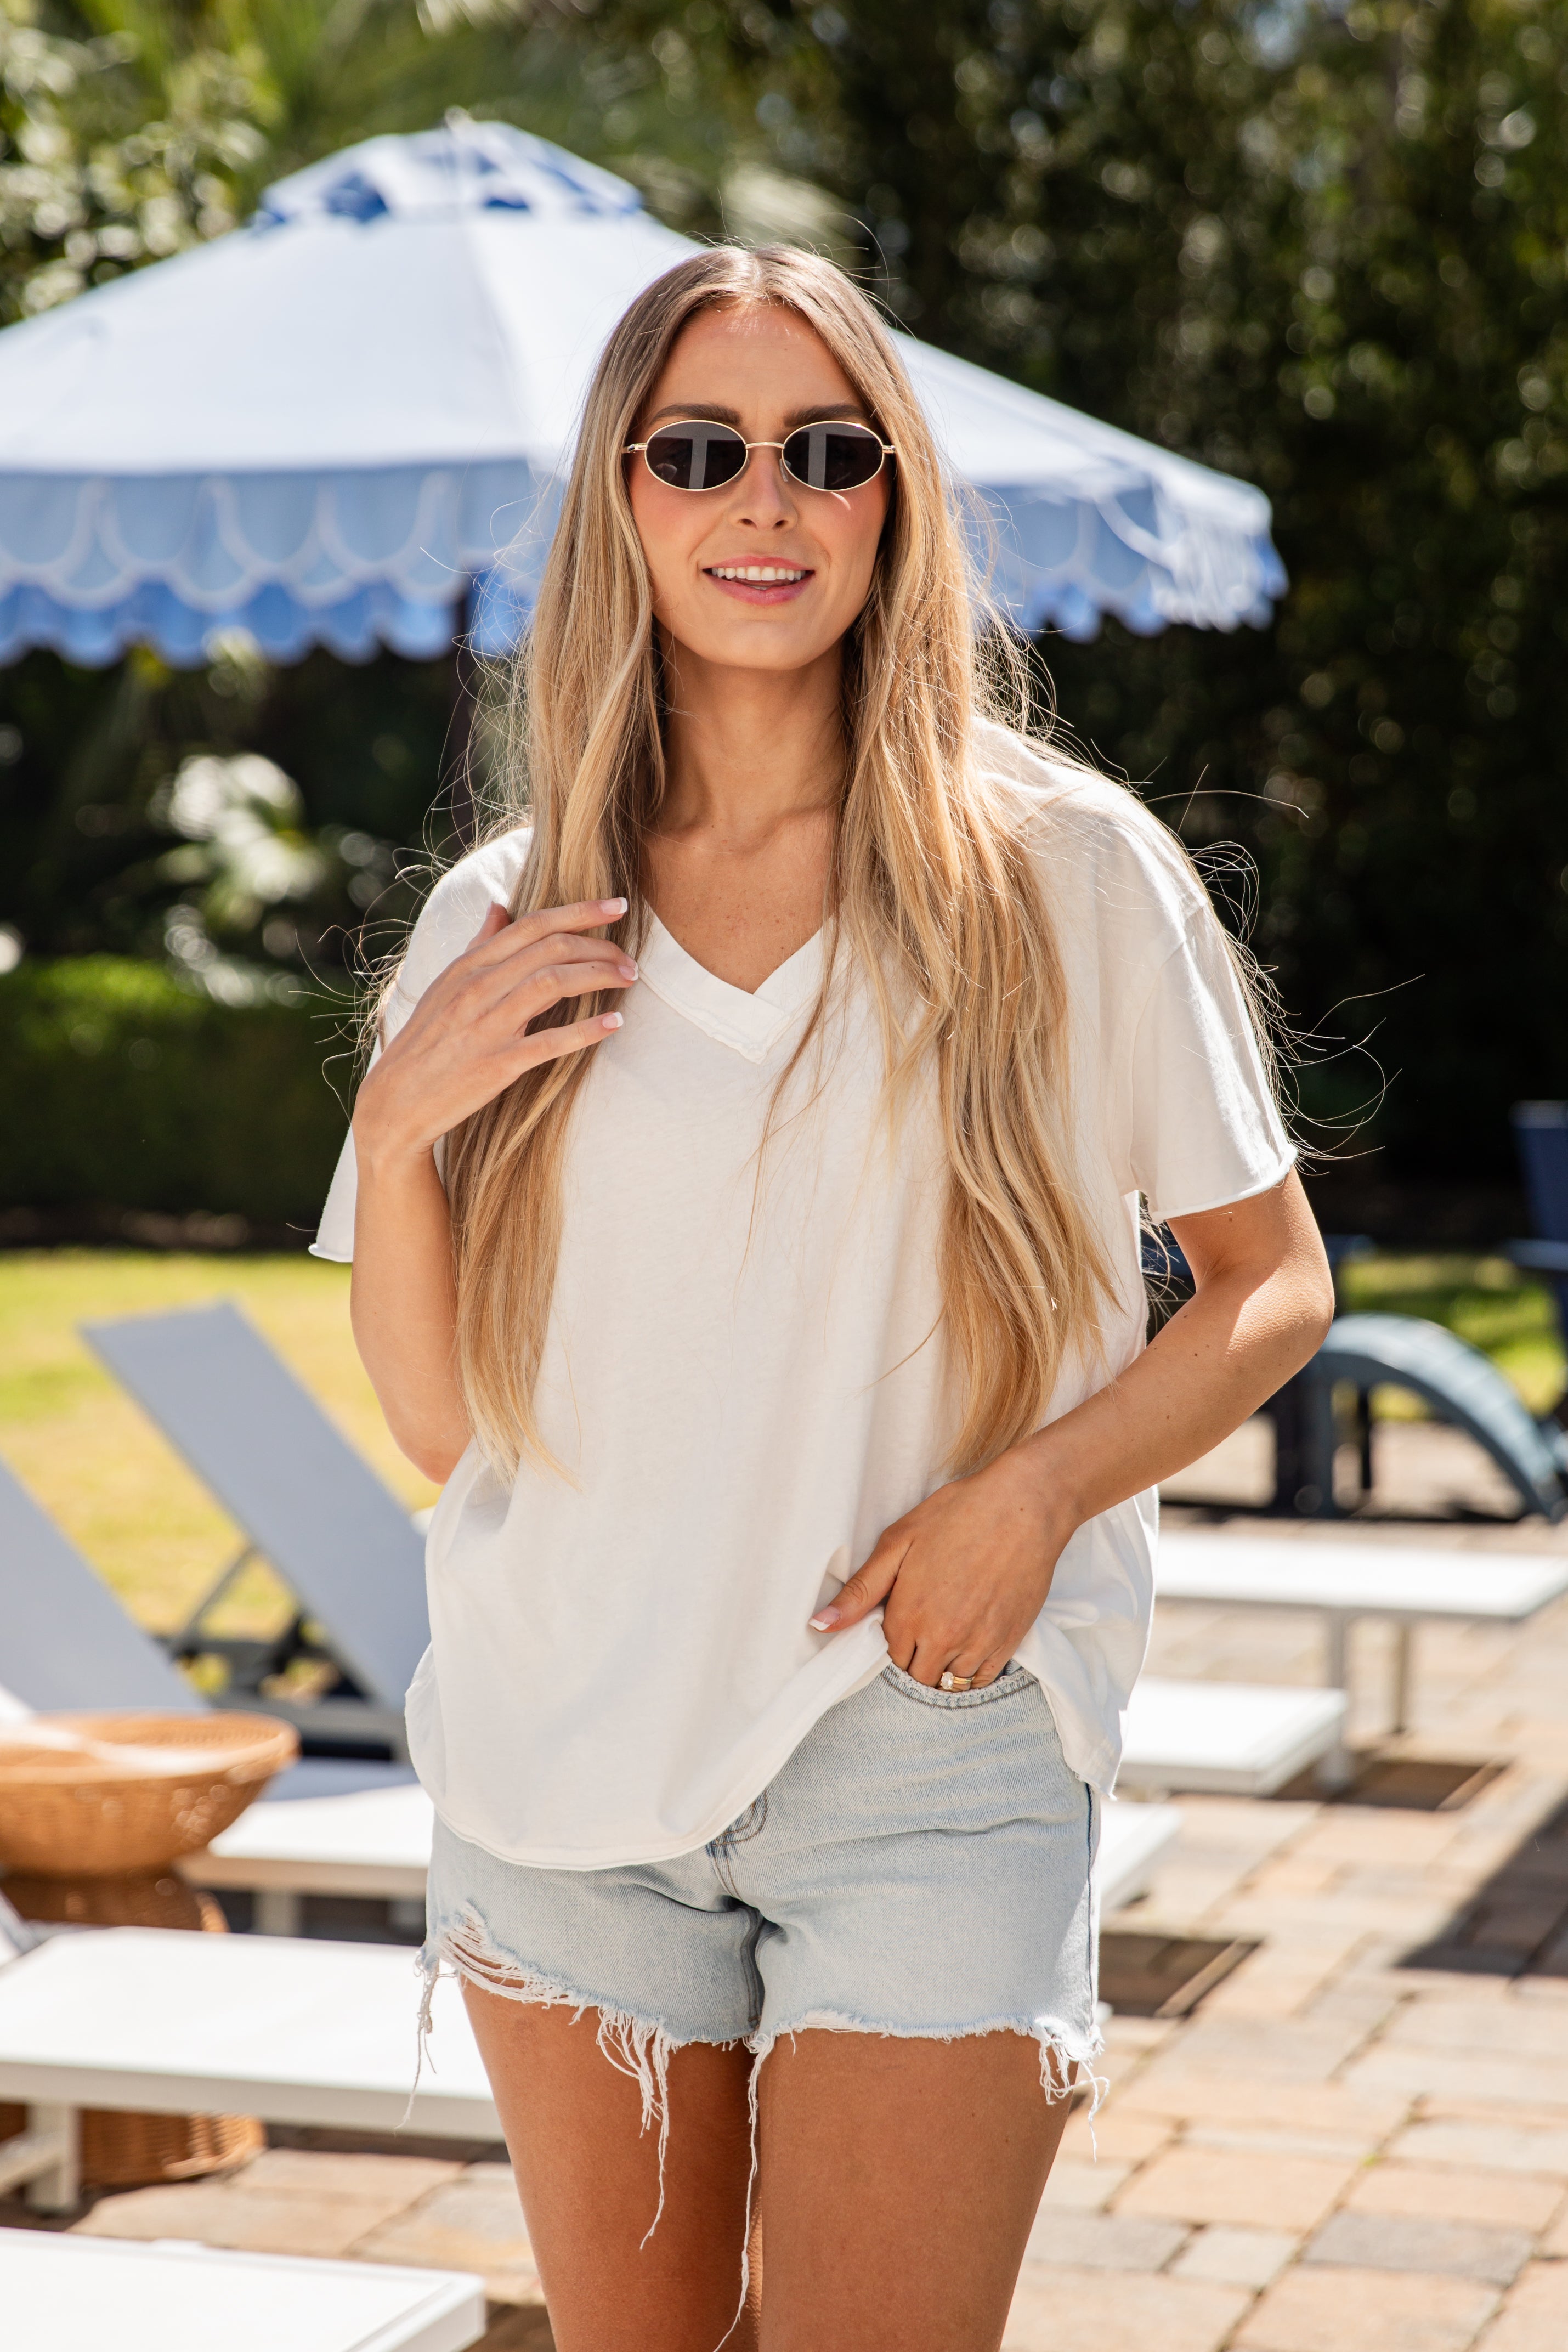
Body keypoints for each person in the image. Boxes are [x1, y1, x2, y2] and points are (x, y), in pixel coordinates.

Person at [313, 244, 1333, 2352]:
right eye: (697, 449)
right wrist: (403, 1122)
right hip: (562, 1769)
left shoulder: (1060, 870)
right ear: (622, 498)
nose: (759, 499)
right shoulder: (502, 918)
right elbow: (440, 1428)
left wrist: (1030, 1500)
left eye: (824, 451)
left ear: (896, 498)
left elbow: (1268, 1284)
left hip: (927, 1751)